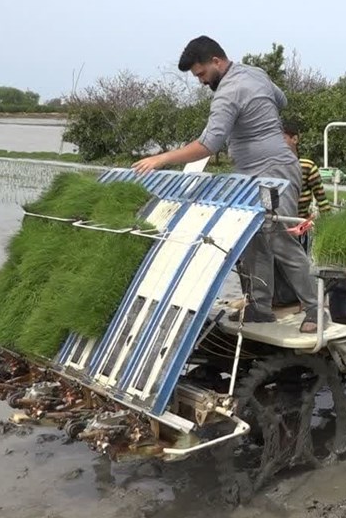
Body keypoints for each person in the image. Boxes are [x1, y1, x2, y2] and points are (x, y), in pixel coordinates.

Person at [132, 36, 322, 333]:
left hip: (273, 171)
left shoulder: (228, 91)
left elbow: (209, 143)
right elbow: (281, 100)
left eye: (202, 74)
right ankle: (260, 308)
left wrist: (162, 158)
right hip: (249, 173)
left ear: (216, 62)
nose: (201, 82)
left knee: (281, 239)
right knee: (254, 240)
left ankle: (315, 309)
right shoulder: (254, 73)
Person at [282, 121, 331, 221]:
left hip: (301, 224)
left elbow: (321, 200)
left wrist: (329, 226)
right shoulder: (272, 166)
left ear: (294, 139)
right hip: (278, 223)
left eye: (283, 138)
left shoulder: (307, 166)